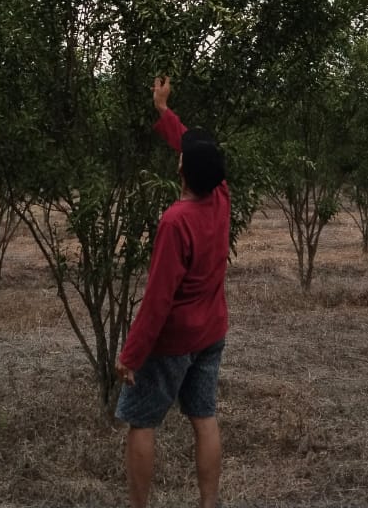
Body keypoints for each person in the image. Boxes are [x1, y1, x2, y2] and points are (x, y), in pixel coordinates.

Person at [115, 75, 230, 508]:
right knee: (204, 418)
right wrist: (165, 113)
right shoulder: (220, 194)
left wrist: (132, 354)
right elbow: (194, 149)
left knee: (141, 423)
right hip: (211, 331)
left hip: (174, 340)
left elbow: (158, 299)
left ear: (181, 170)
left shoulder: (175, 221)